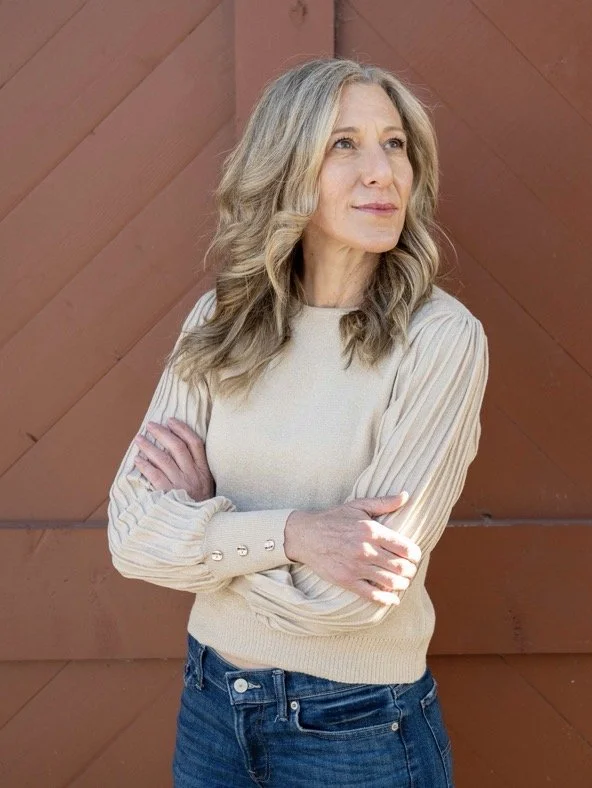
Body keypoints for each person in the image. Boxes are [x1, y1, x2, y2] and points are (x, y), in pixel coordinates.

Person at [107, 57, 489, 788]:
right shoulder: (221, 321)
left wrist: (206, 529)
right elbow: (131, 537)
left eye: (395, 144)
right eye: (344, 144)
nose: (381, 172)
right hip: (211, 708)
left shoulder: (440, 339)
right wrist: (296, 535)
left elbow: (355, 595)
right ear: (285, 166)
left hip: (356, 729)